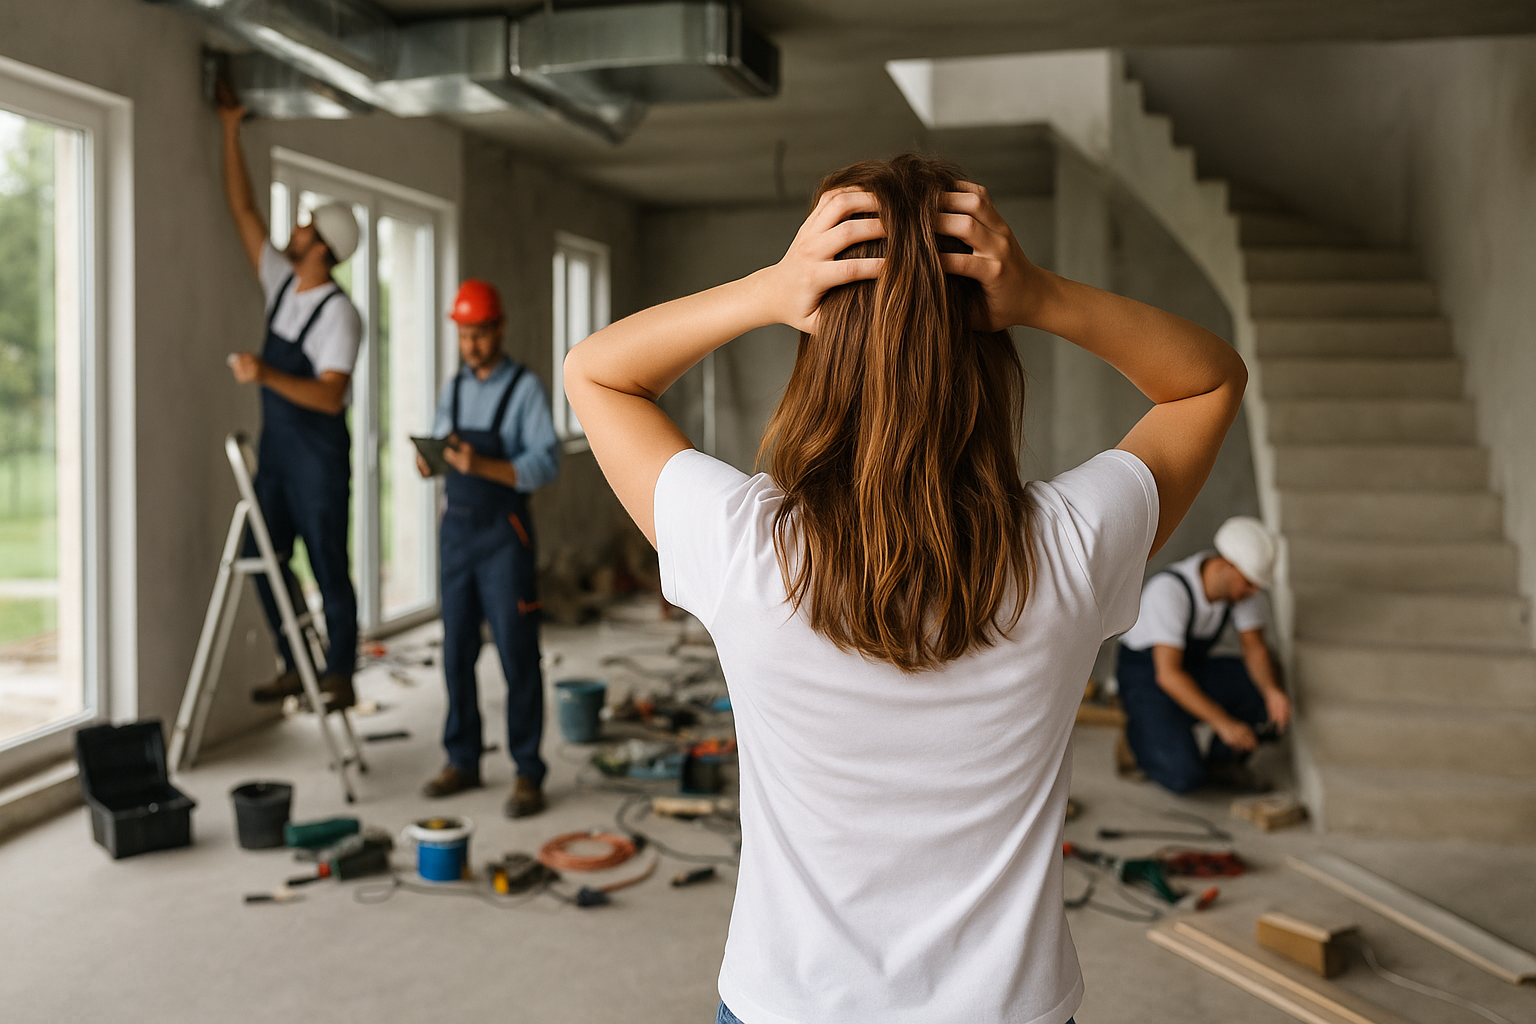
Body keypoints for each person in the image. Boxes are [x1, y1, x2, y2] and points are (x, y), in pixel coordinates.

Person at [563, 153, 1246, 1024]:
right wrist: (1041, 296)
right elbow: (1209, 378)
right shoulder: (1069, 545)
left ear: (820, 347)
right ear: (989, 351)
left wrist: (768, 290)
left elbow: (596, 372)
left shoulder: (747, 546)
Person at [217, 88, 363, 711]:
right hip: (277, 457)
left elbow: (331, 397)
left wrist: (265, 376)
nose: (294, 230)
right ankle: (296, 660)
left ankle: (339, 673)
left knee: (328, 563)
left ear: (322, 248)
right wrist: (230, 130)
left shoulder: (340, 315)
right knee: (261, 554)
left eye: (305, 226)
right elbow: (243, 209)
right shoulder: (281, 284)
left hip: (319, 459)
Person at [417, 280, 561, 818]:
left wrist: (483, 467)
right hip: (455, 534)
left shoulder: (525, 389)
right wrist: (429, 459)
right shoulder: (452, 389)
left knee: (517, 653)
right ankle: (463, 758)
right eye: (464, 335)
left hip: (504, 536)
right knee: (455, 652)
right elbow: (440, 444)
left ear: (499, 329)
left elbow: (545, 463)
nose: (472, 344)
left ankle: (528, 771)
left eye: (480, 334)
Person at [1115, 516, 1291, 794]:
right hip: (1150, 680)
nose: (1253, 592)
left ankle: (1223, 763)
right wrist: (1224, 723)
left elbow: (1255, 648)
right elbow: (1169, 675)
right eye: (1248, 583)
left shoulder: (1241, 593)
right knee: (1184, 777)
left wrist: (1271, 692)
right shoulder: (1169, 592)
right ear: (1227, 565)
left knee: (1261, 682)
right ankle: (1139, 738)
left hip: (1189, 670)